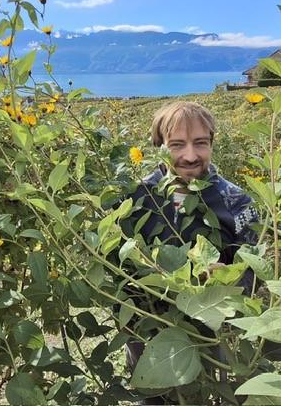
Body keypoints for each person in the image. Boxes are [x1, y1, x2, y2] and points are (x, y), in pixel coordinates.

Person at [119, 101, 259, 404]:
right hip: (152, 333)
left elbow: (257, 262)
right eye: (177, 144)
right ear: (159, 146)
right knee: (155, 395)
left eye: (200, 143)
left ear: (212, 143)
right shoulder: (138, 199)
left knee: (213, 391)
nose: (190, 155)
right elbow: (120, 271)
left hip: (214, 331)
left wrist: (233, 278)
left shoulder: (234, 200)